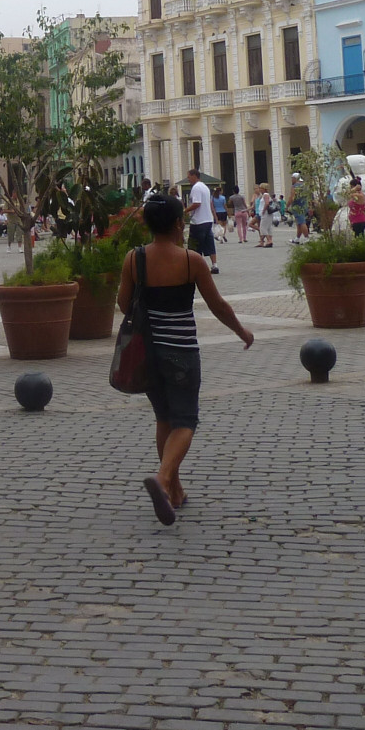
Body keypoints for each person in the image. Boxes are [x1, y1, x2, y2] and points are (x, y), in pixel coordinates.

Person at [116, 191, 253, 526]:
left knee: (164, 417)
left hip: (148, 352)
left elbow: (123, 304)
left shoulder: (134, 260)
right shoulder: (191, 260)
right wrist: (241, 332)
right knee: (185, 420)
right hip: (182, 352)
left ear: (147, 224)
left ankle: (175, 491)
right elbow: (218, 306)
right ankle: (164, 480)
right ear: (180, 223)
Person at [184, 169, 219, 274]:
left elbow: (197, 203)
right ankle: (214, 265)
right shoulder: (205, 187)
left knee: (196, 245)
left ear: (195, 176)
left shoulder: (196, 188)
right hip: (208, 219)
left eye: (189, 176)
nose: (188, 179)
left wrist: (185, 211)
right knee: (209, 243)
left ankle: (198, 267)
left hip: (198, 221)